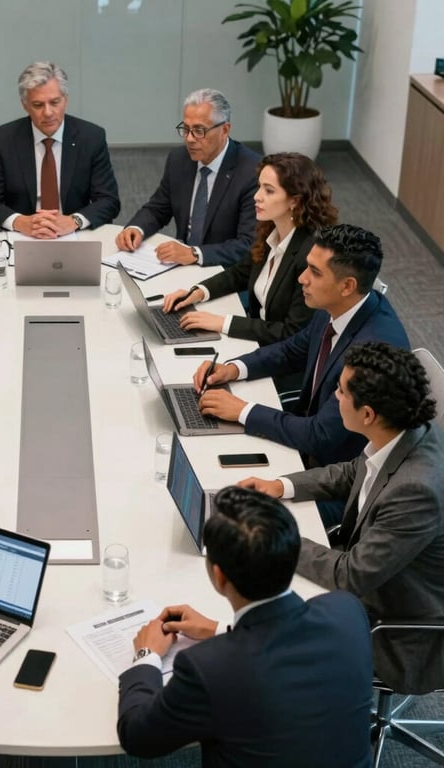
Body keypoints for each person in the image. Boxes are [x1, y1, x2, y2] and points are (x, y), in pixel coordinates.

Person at [116, 487, 373, 768]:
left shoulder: (206, 668)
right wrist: (218, 630)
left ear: (218, 576)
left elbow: (138, 737)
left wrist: (147, 655)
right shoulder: (347, 611)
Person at [240, 342, 444, 694]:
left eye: (341, 391)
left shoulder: (416, 490)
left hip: (397, 628)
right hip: (376, 574)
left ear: (367, 414)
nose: (334, 397)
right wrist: (280, 485)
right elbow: (355, 472)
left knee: (262, 624)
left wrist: (274, 536)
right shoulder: (406, 433)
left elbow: (348, 575)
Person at [192, 224, 409, 482]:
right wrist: (234, 368)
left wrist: (242, 411)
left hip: (336, 476)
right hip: (308, 434)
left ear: (347, 286)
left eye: (315, 273)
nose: (302, 278)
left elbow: (320, 437)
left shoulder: (372, 351)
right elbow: (293, 350)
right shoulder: (336, 305)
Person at [162, 152, 338, 347]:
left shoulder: (310, 255)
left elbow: (291, 332)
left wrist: (223, 322)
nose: (257, 197)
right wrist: (197, 292)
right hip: (258, 340)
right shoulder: (271, 229)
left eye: (269, 191)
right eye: (259, 187)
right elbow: (240, 273)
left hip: (282, 358)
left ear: (294, 201)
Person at [0, 61, 120, 237]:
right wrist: (19, 222)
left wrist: (74, 220)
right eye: (38, 105)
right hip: (22, 234)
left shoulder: (91, 137)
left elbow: (108, 201)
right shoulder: (2, 139)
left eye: (55, 102)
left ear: (66, 100)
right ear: (25, 105)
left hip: (72, 232)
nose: (48, 112)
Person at [115, 88, 259, 267]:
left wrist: (195, 254)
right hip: (180, 265)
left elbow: (248, 244)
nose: (190, 139)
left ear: (225, 130)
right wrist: (135, 228)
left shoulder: (251, 172)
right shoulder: (179, 159)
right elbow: (158, 208)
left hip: (224, 271)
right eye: (186, 129)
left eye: (199, 130)